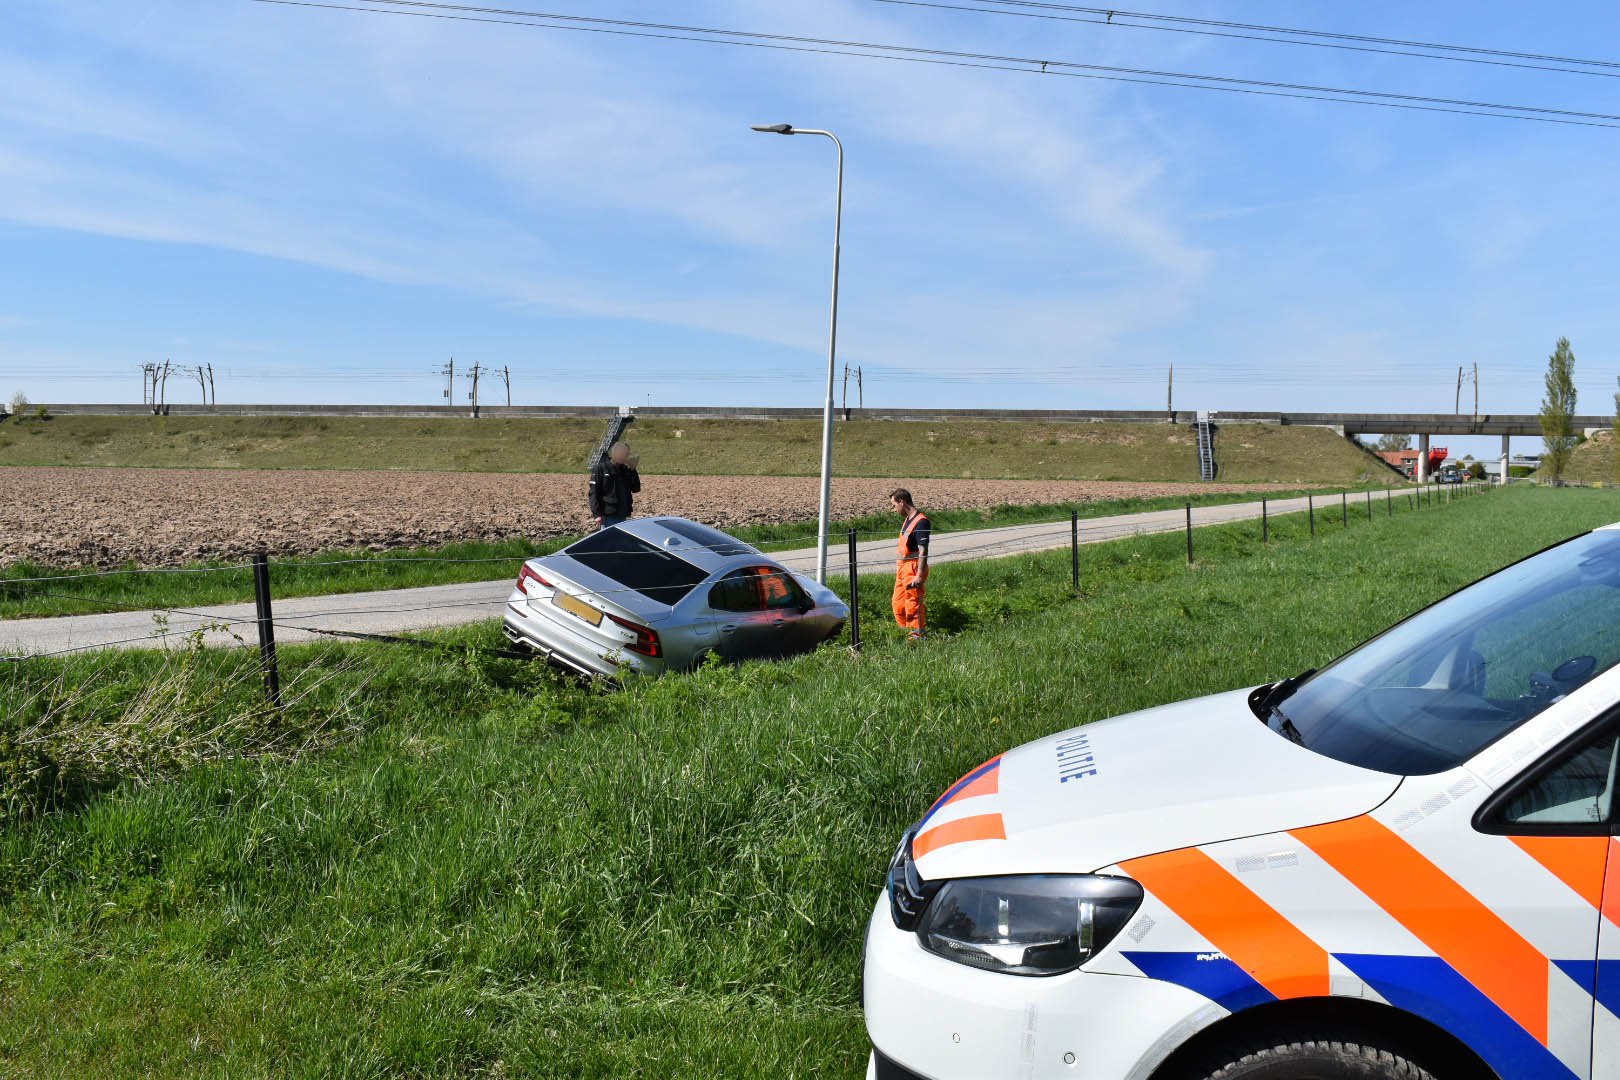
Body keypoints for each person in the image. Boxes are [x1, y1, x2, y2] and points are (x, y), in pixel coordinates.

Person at [890, 488, 930, 640]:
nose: (894, 509)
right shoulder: (908, 520)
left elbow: (923, 550)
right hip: (903, 568)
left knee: (913, 602)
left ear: (902, 502)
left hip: (913, 568)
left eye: (894, 505)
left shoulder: (921, 522)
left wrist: (919, 574)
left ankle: (917, 636)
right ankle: (903, 633)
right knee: (898, 603)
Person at [588, 442, 641, 530]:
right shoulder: (600, 468)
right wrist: (596, 515)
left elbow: (636, 488)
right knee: (608, 542)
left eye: (626, 454)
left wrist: (633, 470)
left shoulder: (625, 470)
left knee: (619, 542)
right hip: (608, 516)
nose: (624, 455)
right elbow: (593, 493)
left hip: (623, 515)